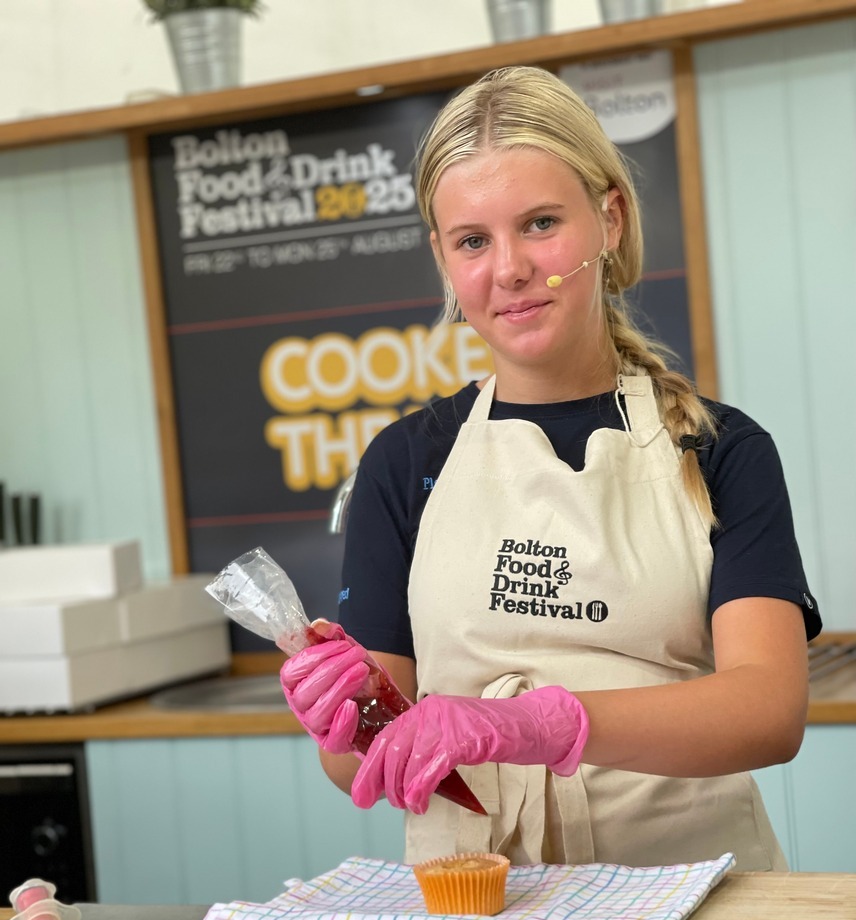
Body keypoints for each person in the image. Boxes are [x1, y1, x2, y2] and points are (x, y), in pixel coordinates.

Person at [280, 65, 822, 872]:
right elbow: (359, 760)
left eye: (539, 223)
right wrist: (344, 716)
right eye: (472, 240)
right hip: (483, 912)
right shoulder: (405, 463)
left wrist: (541, 725)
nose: (509, 269)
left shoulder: (721, 449)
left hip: (703, 899)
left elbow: (769, 710)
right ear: (443, 258)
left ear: (609, 218)